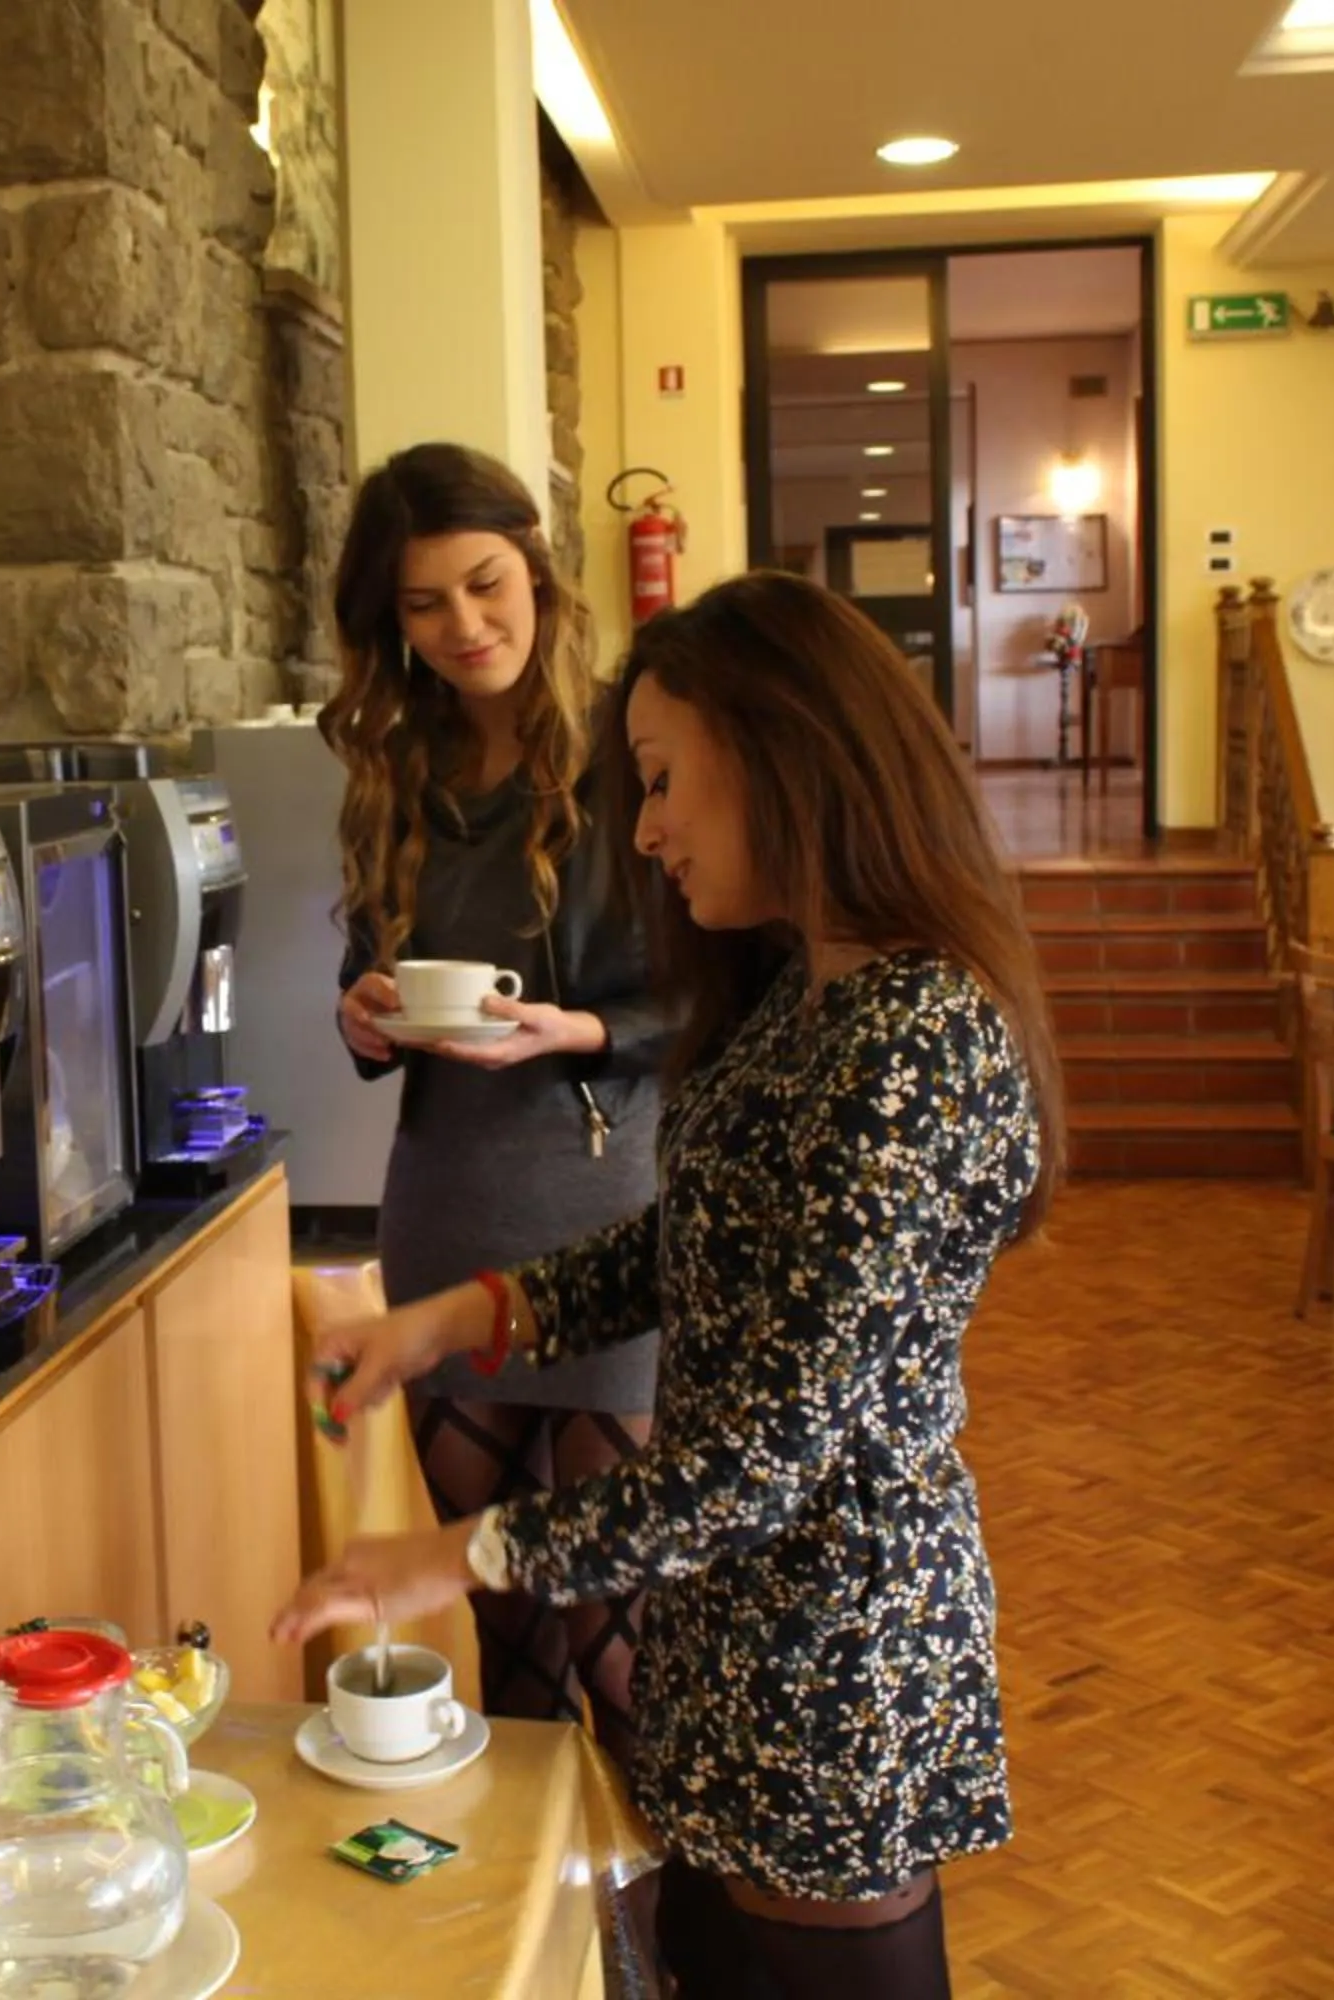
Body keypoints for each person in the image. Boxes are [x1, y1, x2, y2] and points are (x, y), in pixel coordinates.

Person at [277, 571, 1064, 1999]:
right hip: (740, 1624)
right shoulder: (805, 991)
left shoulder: (912, 1045)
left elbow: (757, 1465)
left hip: (833, 1647)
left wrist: (447, 1556)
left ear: (783, 755)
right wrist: (449, 1321)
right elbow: (687, 1243)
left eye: (658, 780)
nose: (642, 829)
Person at [317, 442, 671, 1759]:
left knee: (621, 1646)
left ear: (536, 569)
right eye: (424, 605)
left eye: (485, 584)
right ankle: (551, 1897)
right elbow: (370, 969)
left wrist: (586, 1030)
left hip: (611, 1216)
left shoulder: (634, 744)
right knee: (511, 1649)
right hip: (449, 1212)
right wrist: (359, 1009)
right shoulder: (393, 767)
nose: (465, 626)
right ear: (390, 624)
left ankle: (654, 1895)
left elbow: (725, 983)